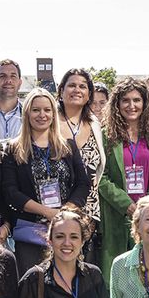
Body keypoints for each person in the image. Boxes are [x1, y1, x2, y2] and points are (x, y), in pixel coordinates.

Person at [0, 89, 89, 273]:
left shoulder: (68, 146)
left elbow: (83, 183)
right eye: (36, 110)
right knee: (32, 288)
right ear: (27, 114)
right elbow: (11, 192)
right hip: (30, 234)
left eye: (47, 110)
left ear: (53, 114)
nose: (42, 115)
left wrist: (64, 213)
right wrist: (48, 212)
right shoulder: (13, 149)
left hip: (65, 232)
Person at [98, 78, 149, 274]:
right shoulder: (105, 135)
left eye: (137, 100)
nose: (132, 105)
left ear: (145, 103)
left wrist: (147, 204)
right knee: (116, 273)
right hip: (117, 213)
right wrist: (126, 204)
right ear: (117, 104)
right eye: (126, 100)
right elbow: (100, 176)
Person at [58, 68, 106, 255]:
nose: (77, 90)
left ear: (88, 95)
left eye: (82, 86)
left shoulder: (95, 124)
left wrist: (91, 217)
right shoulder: (48, 121)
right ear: (61, 91)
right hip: (56, 213)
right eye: (71, 85)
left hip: (88, 215)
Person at [0, 58, 25, 141]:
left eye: (13, 76)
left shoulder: (29, 114)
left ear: (20, 83)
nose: (8, 80)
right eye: (2, 76)